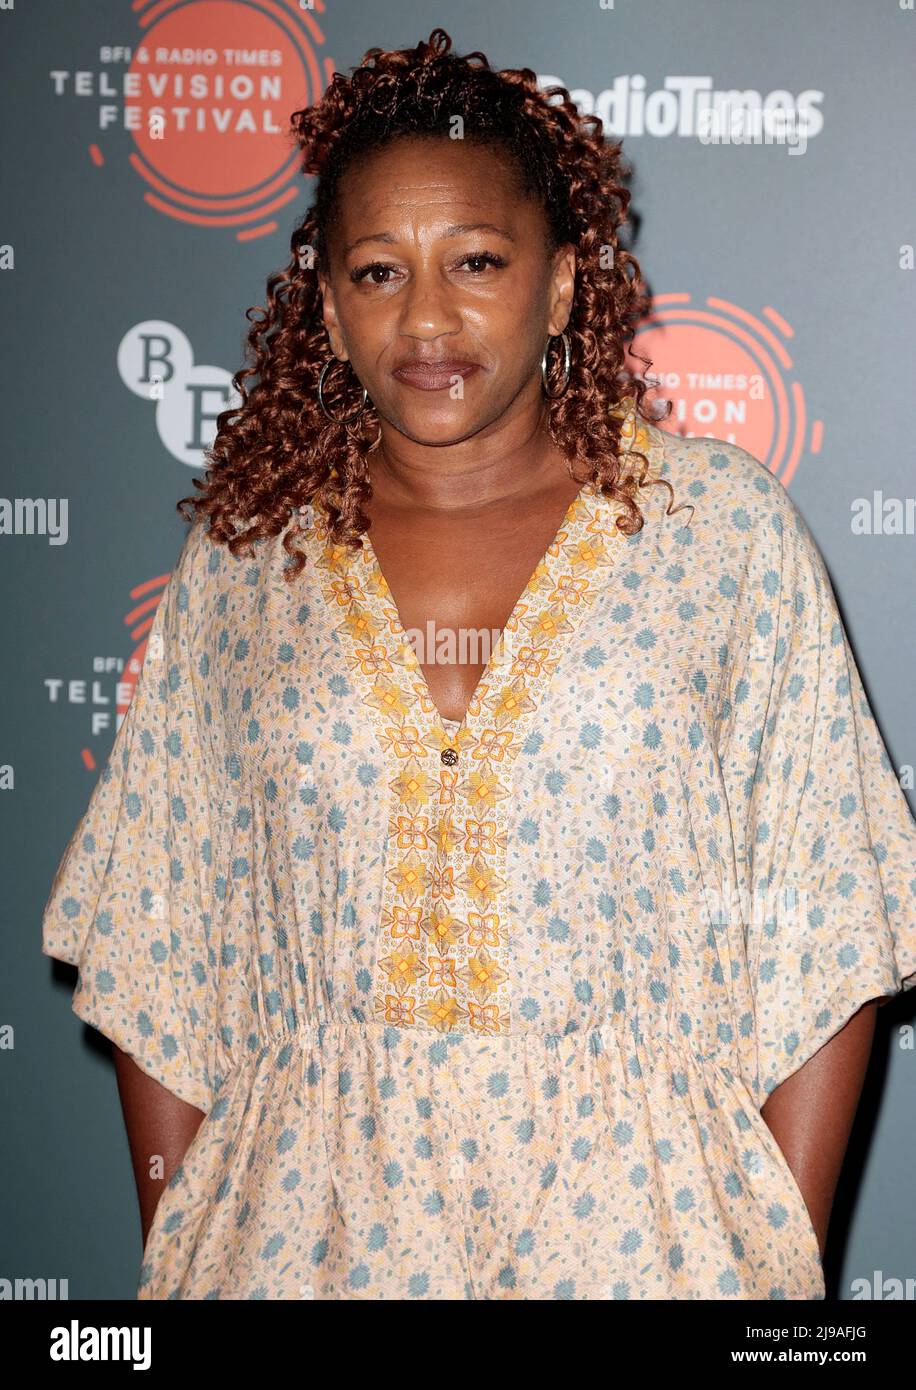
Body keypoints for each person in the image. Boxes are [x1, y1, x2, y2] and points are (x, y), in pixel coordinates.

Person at [42, 28, 916, 1301]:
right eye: (380, 270)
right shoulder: (248, 565)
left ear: (560, 287)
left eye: (479, 262)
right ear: (328, 304)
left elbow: (828, 915)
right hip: (302, 1242)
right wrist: (182, 1250)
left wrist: (771, 1253)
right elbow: (162, 940)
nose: (429, 318)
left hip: (648, 1244)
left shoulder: (718, 534)